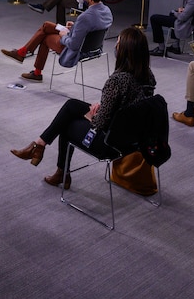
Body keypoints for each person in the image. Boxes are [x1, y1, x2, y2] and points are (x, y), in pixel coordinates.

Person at [10, 27, 156, 189]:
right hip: (133, 139)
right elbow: (129, 105)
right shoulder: (148, 76)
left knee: (67, 123)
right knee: (72, 105)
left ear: (124, 51)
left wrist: (92, 114)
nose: (115, 47)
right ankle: (40, 147)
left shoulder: (117, 81)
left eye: (117, 43)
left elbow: (100, 123)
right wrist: (105, 106)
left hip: (109, 143)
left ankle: (53, 164)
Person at [1, 0, 114, 82]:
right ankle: (23, 54)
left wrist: (64, 35)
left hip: (76, 50)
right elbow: (92, 29)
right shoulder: (107, 11)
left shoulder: (85, 17)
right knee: (46, 25)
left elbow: (73, 45)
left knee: (45, 38)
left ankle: (33, 68)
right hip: (94, 48)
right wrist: (75, 27)